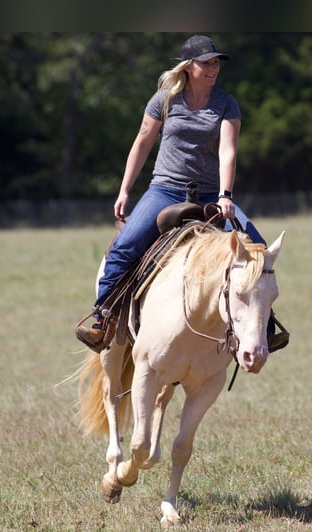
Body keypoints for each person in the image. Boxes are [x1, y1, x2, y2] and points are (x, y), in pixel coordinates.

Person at [76, 34, 288, 353]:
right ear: (189, 67)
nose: (213, 68)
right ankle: (102, 320)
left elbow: (228, 151)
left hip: (210, 196)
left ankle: (266, 326)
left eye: (216, 62)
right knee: (124, 246)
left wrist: (225, 194)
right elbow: (143, 143)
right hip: (165, 189)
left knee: (257, 249)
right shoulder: (164, 99)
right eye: (206, 63)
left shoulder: (227, 103)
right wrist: (123, 191)